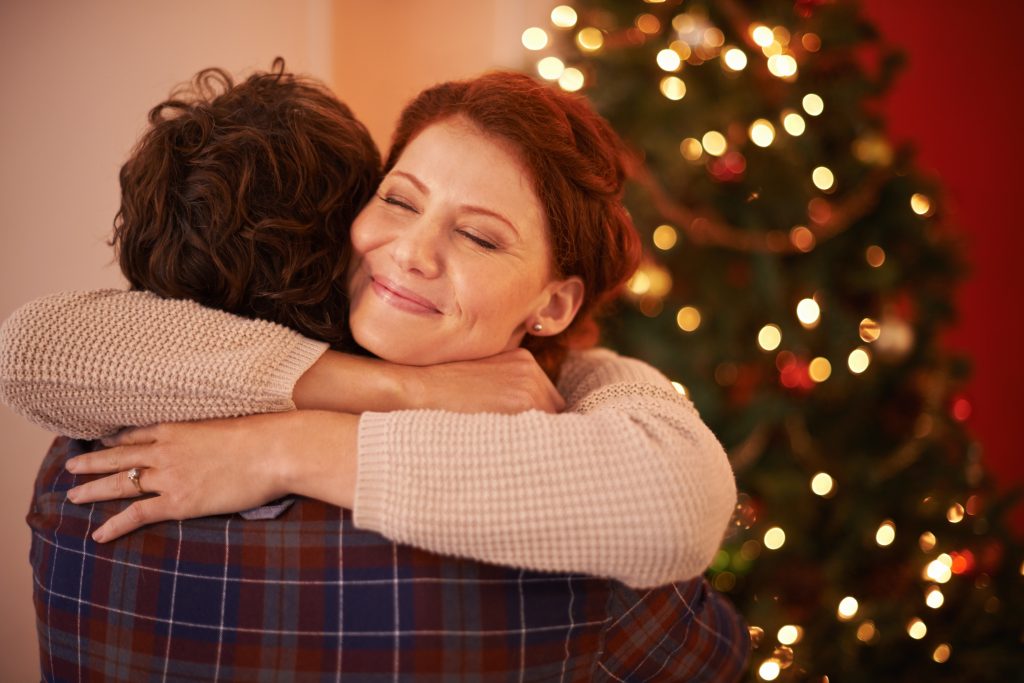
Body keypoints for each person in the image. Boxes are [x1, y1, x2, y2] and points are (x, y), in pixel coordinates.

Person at [2, 63, 749, 680]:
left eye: (480, 238)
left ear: (554, 301)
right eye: (399, 199)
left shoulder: (80, 475)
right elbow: (31, 349)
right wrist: (393, 395)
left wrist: (280, 446)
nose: (413, 252)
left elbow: (678, 491)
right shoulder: (589, 579)